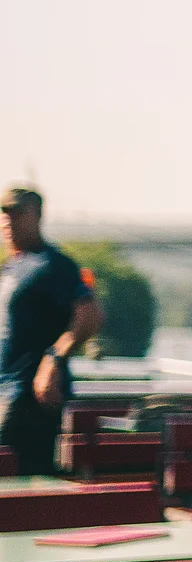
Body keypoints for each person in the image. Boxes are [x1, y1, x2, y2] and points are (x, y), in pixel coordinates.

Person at [1, 187, 102, 477]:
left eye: (18, 214)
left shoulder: (54, 266)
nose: (9, 222)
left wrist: (53, 359)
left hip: (29, 398)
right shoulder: (11, 267)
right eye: (5, 214)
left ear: (37, 216)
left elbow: (91, 315)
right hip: (4, 391)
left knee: (24, 486)